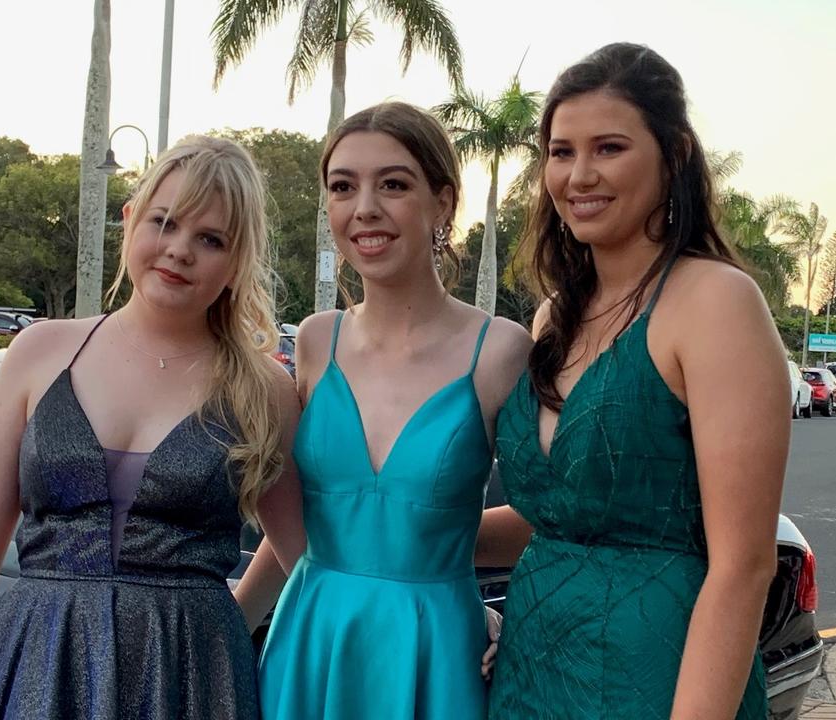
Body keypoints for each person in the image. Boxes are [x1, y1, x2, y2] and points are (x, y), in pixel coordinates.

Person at [0, 135, 305, 720]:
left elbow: (302, 544)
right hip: (36, 664)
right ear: (130, 220)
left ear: (236, 262)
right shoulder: (41, 351)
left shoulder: (264, 390)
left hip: (192, 677)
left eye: (210, 239)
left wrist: (236, 615)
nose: (179, 250)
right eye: (165, 222)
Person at [482, 43, 790, 719]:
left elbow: (744, 567)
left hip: (659, 676)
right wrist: (401, 527)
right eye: (561, 152)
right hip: (532, 667)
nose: (579, 174)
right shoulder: (552, 318)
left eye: (609, 148)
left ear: (674, 154)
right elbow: (557, 518)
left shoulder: (714, 302)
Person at [233, 102, 531, 720]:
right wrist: (231, 625)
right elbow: (298, 521)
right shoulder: (316, 341)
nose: (364, 207)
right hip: (312, 642)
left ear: (443, 203)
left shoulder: (500, 351)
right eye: (343, 187)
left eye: (392, 184)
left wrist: (453, 567)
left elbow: (546, 519)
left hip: (438, 651)